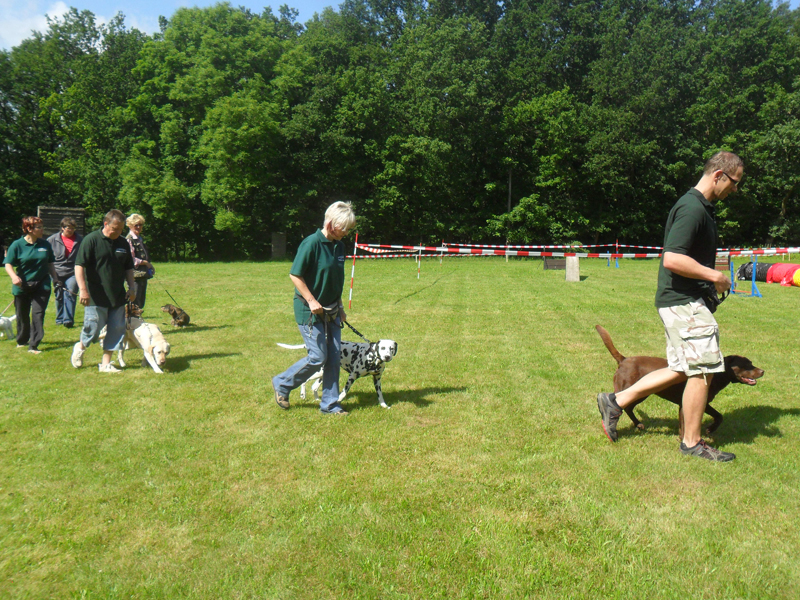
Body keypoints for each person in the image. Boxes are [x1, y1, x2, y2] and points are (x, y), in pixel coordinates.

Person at [596, 151, 742, 461]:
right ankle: (692, 442)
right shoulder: (692, 208)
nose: (735, 189)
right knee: (704, 369)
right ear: (719, 175)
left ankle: (615, 401)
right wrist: (714, 275)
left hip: (681, 300)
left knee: (681, 369)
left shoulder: (701, 207)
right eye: (734, 182)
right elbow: (672, 259)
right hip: (683, 301)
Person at [272, 201, 356, 415]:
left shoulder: (339, 246)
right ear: (331, 224)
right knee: (318, 357)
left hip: (332, 310)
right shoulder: (311, 243)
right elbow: (295, 275)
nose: (347, 232)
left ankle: (330, 404)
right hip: (309, 311)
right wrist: (311, 300)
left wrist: (340, 306)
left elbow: (335, 280)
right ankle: (282, 383)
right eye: (344, 228)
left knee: (334, 357)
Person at [70, 209, 137, 373]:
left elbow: (128, 268)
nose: (118, 232)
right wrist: (83, 290)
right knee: (92, 329)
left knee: (116, 329)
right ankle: (80, 347)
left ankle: (105, 364)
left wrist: (132, 287)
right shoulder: (91, 240)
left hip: (118, 295)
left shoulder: (123, 243)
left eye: (121, 229)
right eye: (115, 228)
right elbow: (79, 266)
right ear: (106, 224)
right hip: (95, 295)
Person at [3, 216, 59, 353]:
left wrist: (55, 278)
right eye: (39, 227)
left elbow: (50, 263)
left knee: (38, 314)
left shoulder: (45, 244)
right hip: (22, 285)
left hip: (42, 284)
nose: (42, 230)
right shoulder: (17, 245)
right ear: (29, 229)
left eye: (41, 226)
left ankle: (34, 345)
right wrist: (14, 277)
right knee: (22, 315)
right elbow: (8, 264)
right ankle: (22, 340)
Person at [47, 217, 83, 328]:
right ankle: (59, 318)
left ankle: (68, 320)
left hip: (73, 271)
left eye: (73, 228)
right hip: (56, 271)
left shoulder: (80, 240)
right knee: (59, 295)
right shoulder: (52, 240)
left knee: (70, 293)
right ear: (62, 228)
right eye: (68, 228)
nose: (71, 230)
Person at [125, 213, 154, 310]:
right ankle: (132, 318)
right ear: (130, 225)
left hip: (142, 274)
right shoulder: (129, 240)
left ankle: (137, 317)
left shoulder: (139, 239)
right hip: (134, 275)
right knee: (135, 300)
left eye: (140, 225)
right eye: (136, 225)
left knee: (141, 301)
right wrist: (145, 263)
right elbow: (131, 259)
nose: (138, 227)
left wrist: (150, 266)